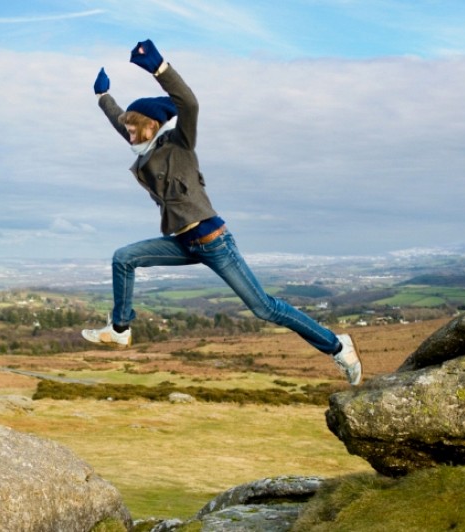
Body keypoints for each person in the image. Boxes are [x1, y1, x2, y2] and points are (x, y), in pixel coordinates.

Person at [81, 39, 362, 385]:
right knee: (123, 258)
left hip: (214, 241)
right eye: (127, 128)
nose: (127, 132)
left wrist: (160, 69)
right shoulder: (146, 152)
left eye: (132, 127)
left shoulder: (180, 144)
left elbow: (189, 103)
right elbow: (118, 121)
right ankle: (120, 329)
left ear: (152, 124)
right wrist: (102, 99)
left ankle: (337, 346)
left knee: (265, 308)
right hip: (183, 242)